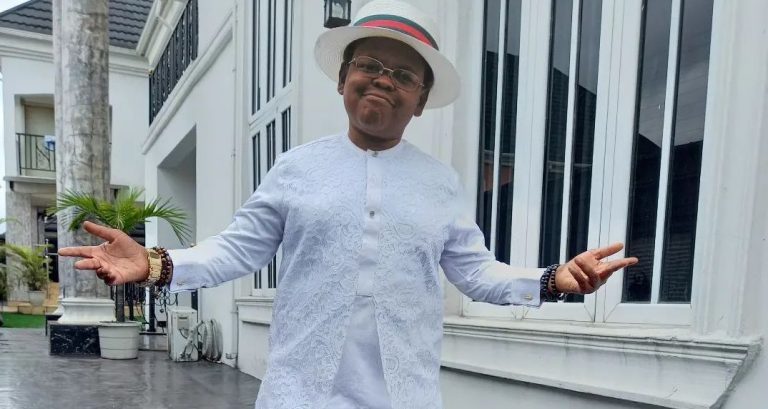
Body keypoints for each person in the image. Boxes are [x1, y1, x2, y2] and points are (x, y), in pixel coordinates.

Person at [59, 1, 638, 408]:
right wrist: (155, 263)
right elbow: (236, 250)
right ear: (343, 79)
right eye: (369, 66)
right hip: (300, 393)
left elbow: (476, 273)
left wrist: (551, 281)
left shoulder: (440, 184)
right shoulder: (296, 168)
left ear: (421, 100)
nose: (383, 80)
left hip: (403, 395)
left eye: (403, 75)